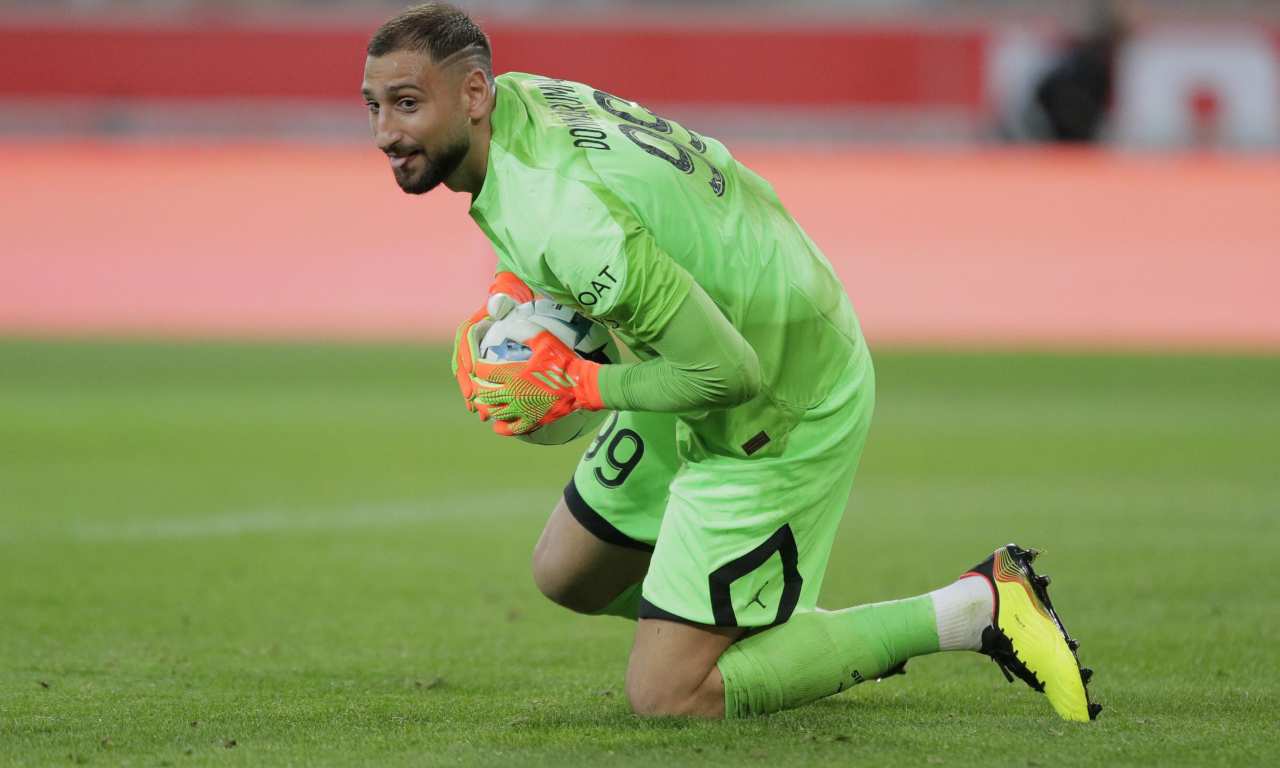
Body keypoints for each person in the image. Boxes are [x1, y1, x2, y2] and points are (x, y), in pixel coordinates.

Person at [360, 2, 1099, 721]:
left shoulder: (569, 222)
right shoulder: (521, 108)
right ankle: (737, 612)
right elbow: (558, 218)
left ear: (474, 93)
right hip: (705, 336)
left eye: (406, 104)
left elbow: (727, 374)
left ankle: (975, 608)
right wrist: (507, 302)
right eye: (375, 107)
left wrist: (574, 385)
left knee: (668, 696)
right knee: (567, 574)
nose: (386, 132)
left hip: (779, 395)